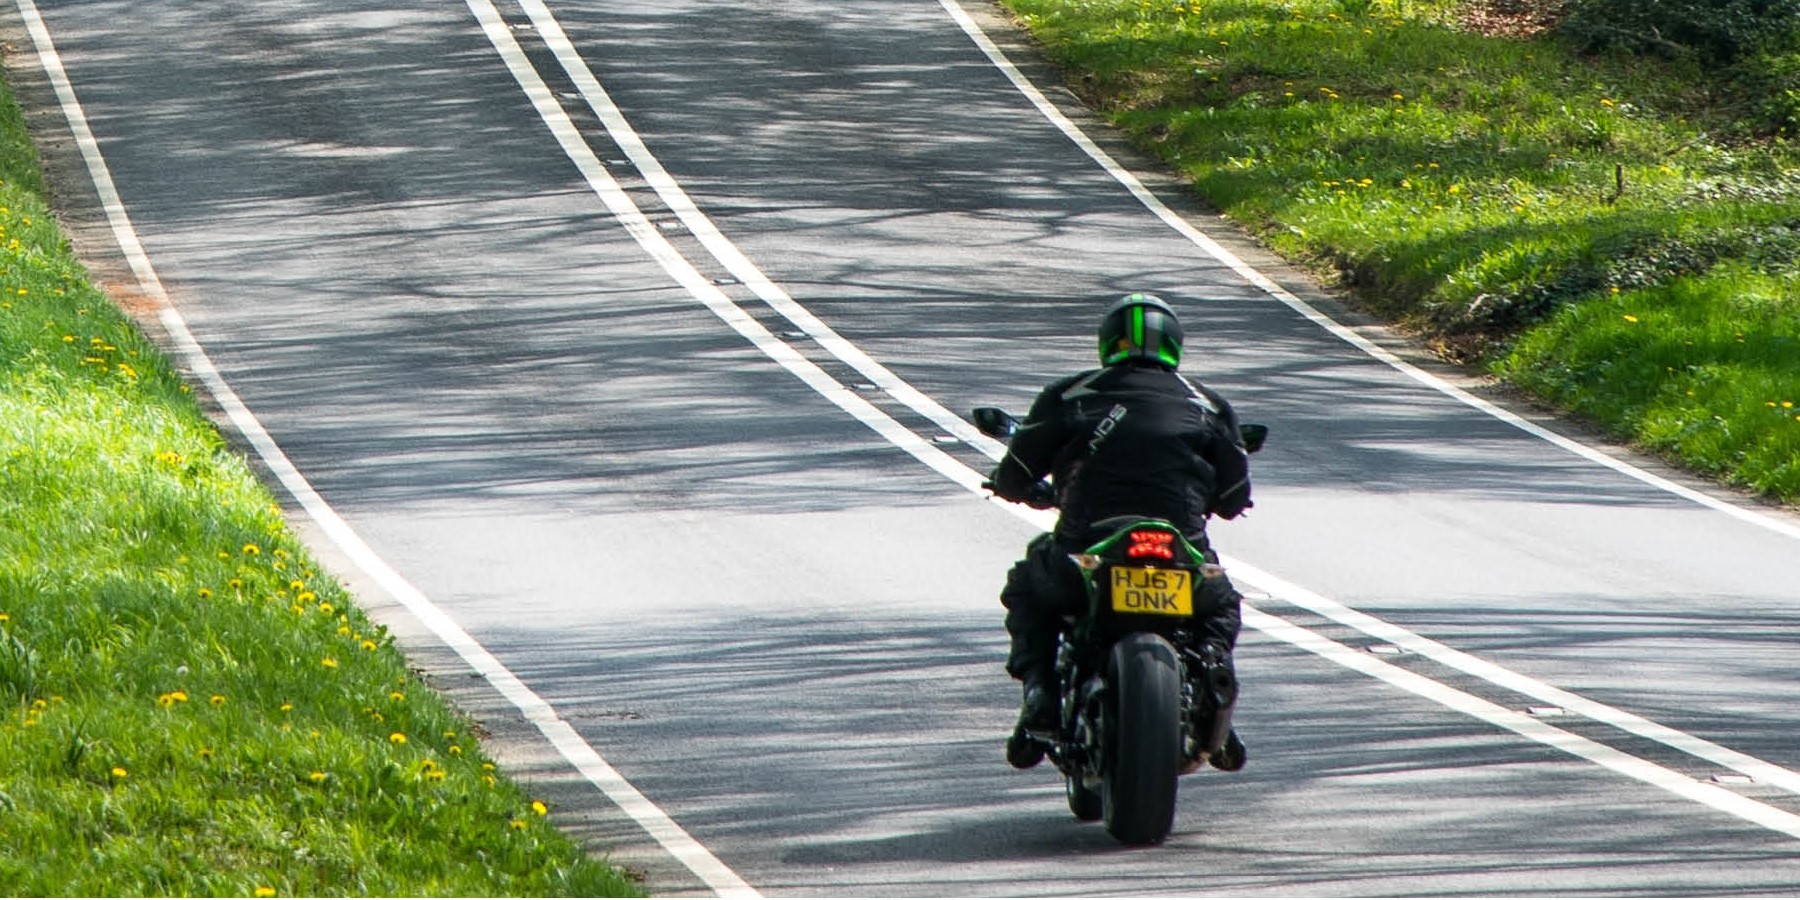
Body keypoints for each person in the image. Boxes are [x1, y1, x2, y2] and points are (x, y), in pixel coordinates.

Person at [986, 292, 1253, 769]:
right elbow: (1234, 497)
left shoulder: (1070, 395)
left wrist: (1028, 490)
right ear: (1174, 343)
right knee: (1220, 604)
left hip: (1085, 550)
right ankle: (1213, 674)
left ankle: (1041, 692)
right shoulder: (1209, 405)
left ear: (1107, 342)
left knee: (1028, 588)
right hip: (1181, 550)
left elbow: (1013, 476)